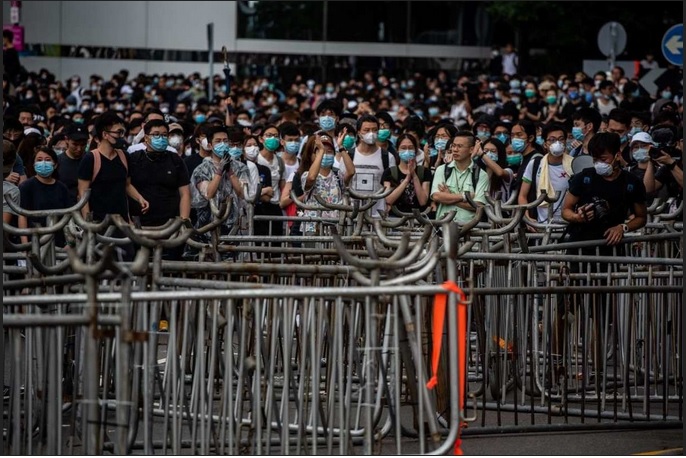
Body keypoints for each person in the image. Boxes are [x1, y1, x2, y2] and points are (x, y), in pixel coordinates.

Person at [77, 111, 149, 222]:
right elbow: (83, 193)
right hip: (99, 223)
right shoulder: (90, 159)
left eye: (122, 132)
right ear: (105, 134)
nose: (121, 136)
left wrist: (139, 198)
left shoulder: (124, 156)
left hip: (122, 222)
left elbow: (127, 184)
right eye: (118, 132)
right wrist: (88, 223)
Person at [127, 119, 191, 231]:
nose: (160, 138)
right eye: (156, 135)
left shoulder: (175, 160)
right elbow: (126, 185)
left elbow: (185, 193)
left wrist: (183, 220)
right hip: (140, 223)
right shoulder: (134, 159)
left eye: (164, 135)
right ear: (146, 138)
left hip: (171, 223)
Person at [189, 125, 245, 250]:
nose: (223, 144)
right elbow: (209, 194)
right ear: (209, 145)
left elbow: (242, 193)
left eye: (225, 141)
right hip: (208, 227)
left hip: (235, 227)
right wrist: (219, 171)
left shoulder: (240, 168)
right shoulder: (201, 170)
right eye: (218, 141)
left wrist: (230, 171)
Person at [293, 132, 354, 237]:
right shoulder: (306, 175)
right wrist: (320, 151)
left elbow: (351, 172)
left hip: (335, 228)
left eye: (329, 152)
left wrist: (341, 147)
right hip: (313, 228)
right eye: (320, 151)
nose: (325, 154)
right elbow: (311, 178)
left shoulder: (338, 175)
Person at [518, 123, 574, 223]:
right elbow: (522, 195)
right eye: (552, 140)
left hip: (568, 225)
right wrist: (527, 219)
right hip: (542, 225)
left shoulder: (574, 165)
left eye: (561, 139)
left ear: (565, 142)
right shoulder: (535, 164)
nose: (557, 143)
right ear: (545, 144)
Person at [430, 131, 489, 224]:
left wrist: (448, 196)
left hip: (470, 228)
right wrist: (465, 197)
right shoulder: (442, 170)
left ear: (471, 149)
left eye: (460, 146)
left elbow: (478, 205)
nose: (455, 149)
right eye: (453, 146)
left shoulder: (481, 174)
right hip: (443, 225)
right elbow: (436, 196)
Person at [18, 146, 71, 247]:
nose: (43, 163)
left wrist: (68, 241)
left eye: (47, 160)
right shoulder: (26, 186)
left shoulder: (62, 188)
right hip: (34, 241)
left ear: (55, 165)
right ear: (34, 164)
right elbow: (22, 215)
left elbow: (68, 216)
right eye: (39, 160)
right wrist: (24, 244)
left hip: (58, 243)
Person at [349, 114, 396, 217]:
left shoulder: (388, 157)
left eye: (374, 130)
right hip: (353, 215)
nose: (371, 133)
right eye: (366, 130)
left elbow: (390, 186)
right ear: (359, 133)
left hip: (378, 215)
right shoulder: (349, 156)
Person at [381, 133, 432, 213]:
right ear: (397, 150)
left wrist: (414, 176)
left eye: (410, 148)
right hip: (395, 219)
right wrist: (407, 179)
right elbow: (388, 200)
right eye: (403, 148)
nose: (407, 151)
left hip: (419, 219)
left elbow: (423, 201)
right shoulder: (389, 172)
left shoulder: (424, 172)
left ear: (415, 150)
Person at [472, 137, 515, 201]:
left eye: (493, 151)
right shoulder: (476, 171)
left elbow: (500, 173)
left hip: (501, 209)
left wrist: (482, 154)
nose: (488, 154)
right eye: (486, 151)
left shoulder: (508, 171)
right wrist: (473, 155)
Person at [58, 123, 89, 205]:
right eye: (75, 144)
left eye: (83, 145)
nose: (79, 149)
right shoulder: (58, 161)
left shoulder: (91, 160)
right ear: (66, 140)